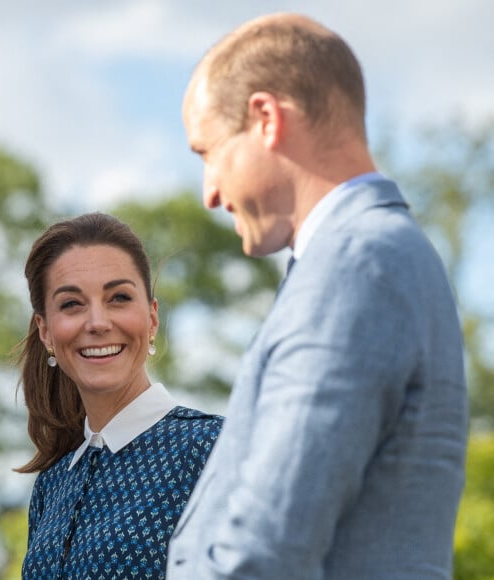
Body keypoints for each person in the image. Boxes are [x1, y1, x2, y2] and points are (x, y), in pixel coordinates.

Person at [167, 12, 468, 579]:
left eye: (207, 153)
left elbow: (267, 548)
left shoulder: (354, 265)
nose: (208, 192)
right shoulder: (374, 256)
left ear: (265, 119)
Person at [17, 212, 223, 579]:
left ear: (152, 318)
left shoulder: (213, 449)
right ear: (46, 331)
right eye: (71, 304)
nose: (97, 322)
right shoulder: (51, 484)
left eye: (118, 298)